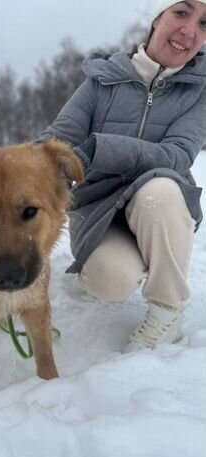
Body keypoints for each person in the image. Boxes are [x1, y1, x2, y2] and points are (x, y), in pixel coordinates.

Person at [36, 0, 206, 353]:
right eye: (181, 12)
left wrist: (99, 150)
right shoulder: (104, 78)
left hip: (161, 205)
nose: (189, 30)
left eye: (205, 25)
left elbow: (176, 155)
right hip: (98, 207)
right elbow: (58, 139)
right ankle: (112, 263)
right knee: (110, 281)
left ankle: (167, 311)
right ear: (159, 16)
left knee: (160, 188)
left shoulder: (200, 91)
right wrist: (13, 172)